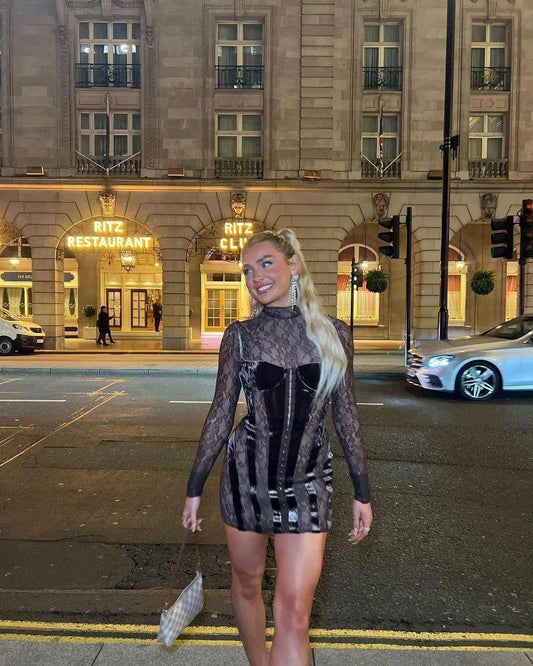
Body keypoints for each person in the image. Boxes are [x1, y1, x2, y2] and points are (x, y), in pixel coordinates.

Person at [182, 229, 372, 666]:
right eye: (248, 270)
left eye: (266, 263)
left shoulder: (335, 334)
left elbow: (346, 414)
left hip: (308, 482)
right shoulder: (240, 336)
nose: (256, 277)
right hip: (245, 479)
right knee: (247, 584)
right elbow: (220, 413)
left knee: (295, 616)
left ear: (293, 265)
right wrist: (195, 486)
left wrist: (362, 491)